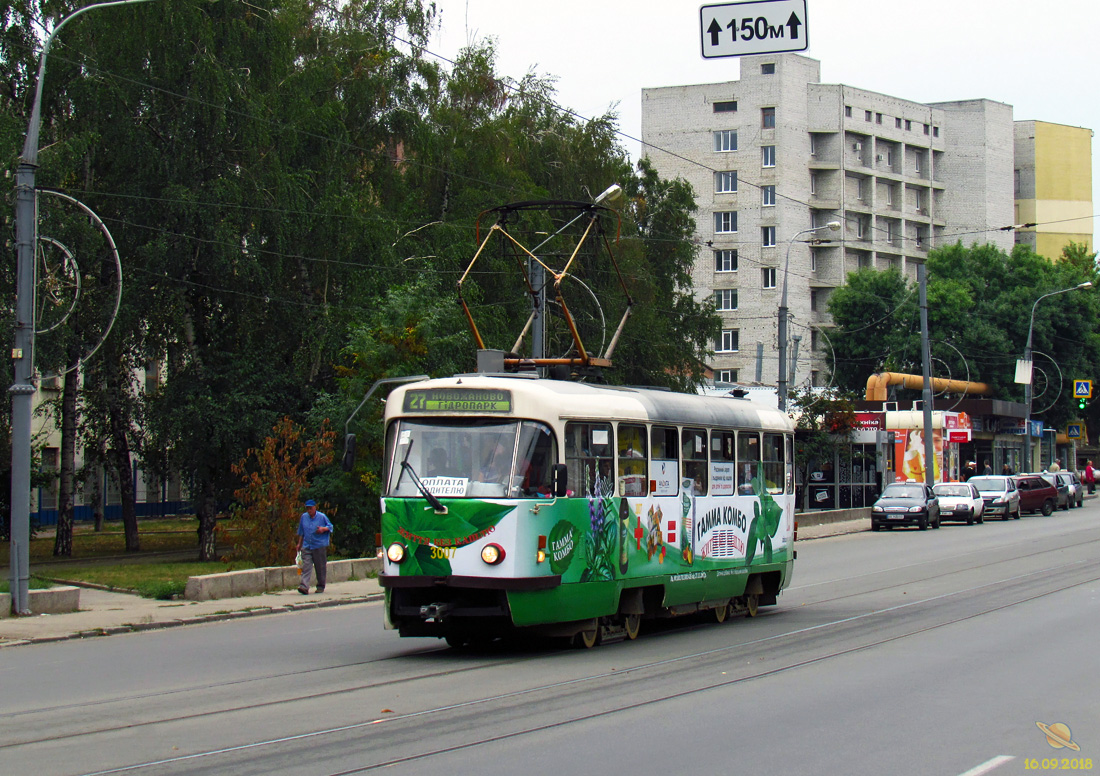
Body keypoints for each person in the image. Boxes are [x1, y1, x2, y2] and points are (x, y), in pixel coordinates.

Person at [296, 499, 333, 595]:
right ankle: (304, 586)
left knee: (320, 567)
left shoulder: (321, 517)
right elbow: (301, 531)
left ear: (315, 507)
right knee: (306, 566)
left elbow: (330, 527)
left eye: (310, 508)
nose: (309, 511)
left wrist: (323, 529)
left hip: (319, 545)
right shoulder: (304, 517)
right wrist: (299, 544)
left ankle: (320, 585)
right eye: (307, 509)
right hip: (307, 545)